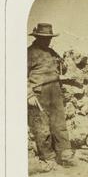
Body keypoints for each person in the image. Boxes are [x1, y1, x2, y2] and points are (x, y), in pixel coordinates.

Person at [28, 23, 74, 165]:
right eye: (44, 37)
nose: (48, 40)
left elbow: (63, 69)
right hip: (39, 92)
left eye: (49, 38)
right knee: (42, 125)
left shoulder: (52, 52)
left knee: (59, 123)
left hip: (55, 90)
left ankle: (65, 154)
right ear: (37, 37)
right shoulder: (29, 53)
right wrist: (29, 94)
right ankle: (48, 158)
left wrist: (64, 63)